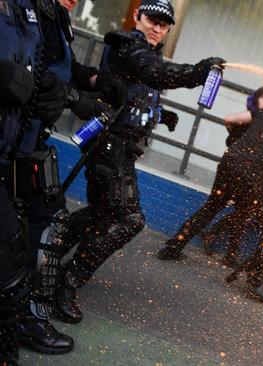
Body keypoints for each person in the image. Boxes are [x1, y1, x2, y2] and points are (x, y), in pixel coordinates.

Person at [52, 0, 227, 325]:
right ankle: (66, 280)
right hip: (108, 145)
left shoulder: (145, 52)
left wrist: (160, 114)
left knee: (105, 211)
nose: (157, 27)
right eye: (152, 19)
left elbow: (136, 91)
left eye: (164, 24)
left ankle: (50, 249)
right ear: (137, 17)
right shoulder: (127, 45)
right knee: (130, 218)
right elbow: (153, 72)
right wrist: (197, 72)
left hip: (119, 146)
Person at [12, 0, 122, 355]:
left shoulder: (54, 16)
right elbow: (26, 68)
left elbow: (65, 66)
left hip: (31, 139)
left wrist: (95, 79)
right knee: (39, 226)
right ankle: (26, 316)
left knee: (44, 222)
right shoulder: (23, 12)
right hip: (16, 138)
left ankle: (25, 314)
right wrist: (76, 99)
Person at [158, 111, 263, 303]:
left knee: (212, 207)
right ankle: (255, 282)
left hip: (228, 163)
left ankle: (172, 248)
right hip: (250, 173)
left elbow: (229, 119)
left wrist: (239, 138)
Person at [1, 0, 70, 363]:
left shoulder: (35, 9)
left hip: (12, 151)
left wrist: (57, 90)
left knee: (10, 281)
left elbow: (40, 65)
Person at [201, 86, 263, 267]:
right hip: (236, 172)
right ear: (256, 100)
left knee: (244, 213)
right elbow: (229, 122)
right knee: (227, 208)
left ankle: (215, 238)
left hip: (249, 174)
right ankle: (211, 237)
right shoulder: (252, 116)